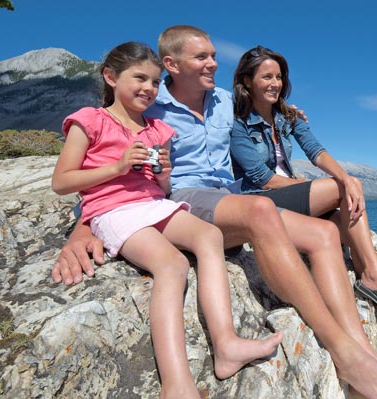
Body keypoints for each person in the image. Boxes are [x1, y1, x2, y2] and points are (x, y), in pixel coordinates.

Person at [53, 26, 377, 399]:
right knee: (260, 209)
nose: (213, 63)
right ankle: (343, 352)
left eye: (214, 56)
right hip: (187, 196)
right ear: (170, 64)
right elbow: (107, 166)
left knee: (324, 235)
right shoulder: (148, 103)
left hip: (229, 198)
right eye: (201, 57)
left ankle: (365, 357)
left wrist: (287, 109)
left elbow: (266, 111)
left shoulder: (224, 101)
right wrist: (85, 225)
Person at [50, 42, 282, 399]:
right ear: (110, 77)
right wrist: (117, 167)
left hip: (153, 204)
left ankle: (226, 344)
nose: (149, 88)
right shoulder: (90, 120)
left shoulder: (157, 129)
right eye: (139, 78)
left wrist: (163, 176)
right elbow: (61, 181)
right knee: (172, 265)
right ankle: (176, 384)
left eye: (156, 82)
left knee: (209, 237)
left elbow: (161, 185)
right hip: (112, 210)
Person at [230, 46, 377, 359]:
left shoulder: (288, 117)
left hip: (291, 198)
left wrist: (345, 178)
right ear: (247, 81)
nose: (275, 83)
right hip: (259, 202)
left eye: (279, 77)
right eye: (267, 77)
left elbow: (315, 150)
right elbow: (263, 178)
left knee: (346, 216)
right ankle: (374, 278)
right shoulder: (237, 124)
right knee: (339, 190)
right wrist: (320, 188)